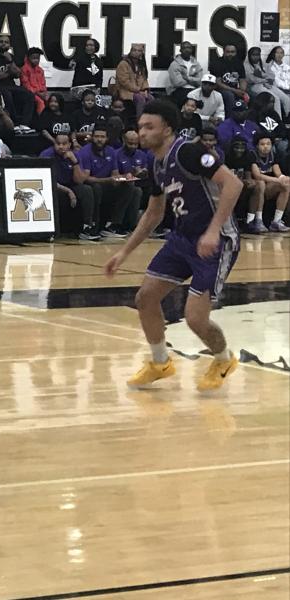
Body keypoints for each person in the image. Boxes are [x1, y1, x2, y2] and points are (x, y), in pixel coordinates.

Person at [103, 100, 243, 392]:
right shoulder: (156, 163)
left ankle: (223, 358)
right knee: (145, 298)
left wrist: (214, 231)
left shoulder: (189, 152)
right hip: (182, 239)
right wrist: (124, 251)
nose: (141, 132)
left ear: (167, 128)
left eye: (148, 126)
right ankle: (160, 362)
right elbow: (154, 212)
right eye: (140, 126)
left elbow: (233, 185)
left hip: (215, 242)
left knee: (194, 319)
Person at [0, 34, 35, 129]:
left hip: (11, 85)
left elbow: (18, 74)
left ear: (9, 46)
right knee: (7, 96)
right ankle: (14, 123)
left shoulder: (11, 57)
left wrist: (10, 61)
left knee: (29, 95)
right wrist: (10, 71)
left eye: (6, 42)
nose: (3, 44)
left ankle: (24, 124)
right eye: (1, 42)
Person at [246, 133, 290, 233]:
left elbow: (278, 172)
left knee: (286, 185)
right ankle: (258, 220)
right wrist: (277, 180)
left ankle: (276, 221)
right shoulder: (252, 154)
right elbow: (257, 175)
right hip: (254, 189)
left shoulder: (273, 155)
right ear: (257, 145)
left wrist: (284, 178)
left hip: (267, 188)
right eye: (262, 144)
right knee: (261, 183)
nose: (266, 146)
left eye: (268, 144)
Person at [244, 46, 289, 118]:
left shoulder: (264, 64)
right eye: (254, 55)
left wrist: (262, 75)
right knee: (274, 98)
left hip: (267, 84)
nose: (256, 57)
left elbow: (272, 76)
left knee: (286, 98)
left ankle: (288, 118)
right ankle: (278, 120)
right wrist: (264, 79)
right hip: (254, 86)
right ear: (249, 55)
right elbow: (251, 79)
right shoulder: (246, 65)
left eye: (258, 54)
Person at [114, 43, 152, 117]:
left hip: (139, 91)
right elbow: (124, 82)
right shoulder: (123, 64)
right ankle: (139, 121)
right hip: (126, 91)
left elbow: (144, 79)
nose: (136, 52)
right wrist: (138, 90)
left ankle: (149, 121)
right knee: (140, 99)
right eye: (134, 50)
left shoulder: (141, 65)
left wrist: (145, 90)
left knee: (151, 98)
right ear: (130, 51)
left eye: (139, 51)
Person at [210, 44, 247, 109]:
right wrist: (235, 91)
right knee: (229, 95)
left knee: (248, 96)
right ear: (223, 52)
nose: (230, 54)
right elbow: (218, 82)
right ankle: (230, 118)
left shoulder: (239, 63)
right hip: (220, 89)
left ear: (236, 53)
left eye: (232, 52)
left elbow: (242, 80)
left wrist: (242, 91)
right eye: (228, 52)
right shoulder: (217, 63)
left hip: (235, 89)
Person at [21, 47, 49, 114]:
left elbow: (43, 84)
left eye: (38, 58)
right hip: (29, 93)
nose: (36, 60)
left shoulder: (40, 70)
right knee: (40, 102)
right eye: (34, 58)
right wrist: (39, 94)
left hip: (40, 93)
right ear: (28, 58)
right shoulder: (24, 69)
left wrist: (44, 93)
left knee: (51, 100)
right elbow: (26, 86)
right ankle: (41, 121)